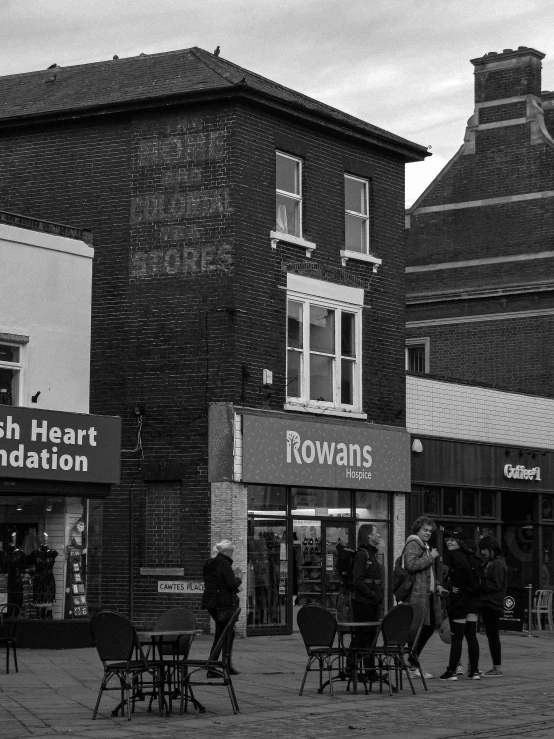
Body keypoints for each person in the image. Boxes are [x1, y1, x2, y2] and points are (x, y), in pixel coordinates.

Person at [402, 516, 442, 680]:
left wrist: (437, 584)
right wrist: (430, 557)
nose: (428, 533)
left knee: (427, 627)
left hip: (427, 594)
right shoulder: (413, 543)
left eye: (430, 531)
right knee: (420, 628)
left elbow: (427, 573)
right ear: (417, 529)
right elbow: (411, 564)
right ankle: (412, 664)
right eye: (425, 530)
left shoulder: (423, 546)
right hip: (417, 595)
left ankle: (412, 662)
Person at [439, 530, 481, 681]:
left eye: (453, 540)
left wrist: (454, 588)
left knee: (457, 638)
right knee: (471, 637)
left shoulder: (455, 556)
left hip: (460, 602)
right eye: (448, 540)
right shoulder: (470, 555)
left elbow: (458, 577)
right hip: (472, 601)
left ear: (459, 542)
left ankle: (451, 671)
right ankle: (474, 671)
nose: (449, 542)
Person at [348, 524, 385, 683]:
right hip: (364, 603)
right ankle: (352, 669)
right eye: (376, 533)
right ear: (368, 536)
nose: (378, 535)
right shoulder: (363, 555)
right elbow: (357, 580)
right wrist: (371, 594)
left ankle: (370, 671)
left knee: (370, 638)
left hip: (371, 602)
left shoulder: (371, 554)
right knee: (362, 636)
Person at [201, 539, 242, 676]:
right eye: (231, 551)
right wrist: (239, 578)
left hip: (211, 602)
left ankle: (219, 664)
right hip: (223, 603)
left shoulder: (209, 563)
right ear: (225, 551)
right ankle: (216, 666)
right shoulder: (224, 563)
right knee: (225, 634)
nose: (232, 554)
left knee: (223, 632)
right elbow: (231, 584)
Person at [478, 535, 507, 676]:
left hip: (493, 603)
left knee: (493, 635)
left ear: (491, 548)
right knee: (491, 635)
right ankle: (496, 666)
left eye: (484, 549)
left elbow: (496, 584)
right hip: (488, 603)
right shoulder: (490, 562)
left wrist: (480, 584)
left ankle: (497, 667)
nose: (482, 552)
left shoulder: (497, 563)